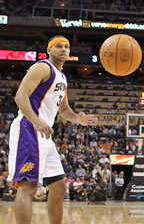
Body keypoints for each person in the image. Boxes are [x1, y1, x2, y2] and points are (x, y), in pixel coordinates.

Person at [8, 35, 97, 224]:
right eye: (58, 46)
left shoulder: (62, 77)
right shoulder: (42, 67)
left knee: (59, 185)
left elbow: (64, 110)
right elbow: (20, 96)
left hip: (45, 135)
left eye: (66, 46)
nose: (63, 49)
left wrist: (78, 118)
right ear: (49, 50)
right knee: (28, 187)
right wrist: (35, 120)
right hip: (29, 128)